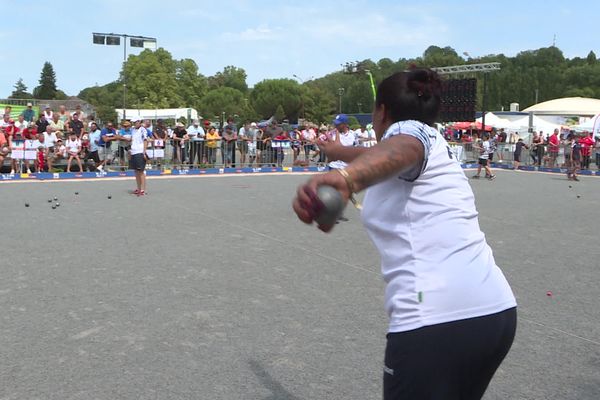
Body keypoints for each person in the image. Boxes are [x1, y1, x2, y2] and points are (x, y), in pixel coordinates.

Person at [293, 68, 516, 400]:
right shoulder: (435, 143)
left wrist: (346, 179)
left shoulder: (409, 133)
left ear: (382, 112)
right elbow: (383, 155)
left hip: (435, 319)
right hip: (492, 312)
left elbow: (404, 147)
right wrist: (340, 155)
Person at [122, 118, 148, 195]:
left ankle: (143, 189)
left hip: (140, 152)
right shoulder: (133, 130)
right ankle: (138, 188)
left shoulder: (143, 130)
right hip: (133, 152)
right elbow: (131, 140)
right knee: (136, 171)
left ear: (139, 122)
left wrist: (144, 152)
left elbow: (145, 140)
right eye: (133, 122)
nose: (134, 124)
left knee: (141, 171)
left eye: (135, 122)